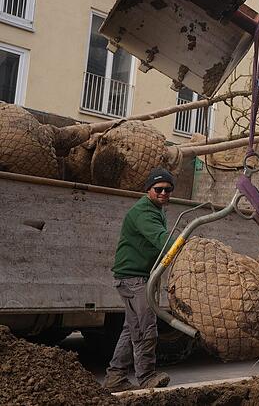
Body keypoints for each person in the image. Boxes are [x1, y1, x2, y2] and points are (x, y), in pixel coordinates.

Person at [102, 168, 175, 392]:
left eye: (168, 190)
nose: (163, 193)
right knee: (146, 326)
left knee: (130, 328)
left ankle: (115, 377)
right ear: (148, 190)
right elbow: (162, 239)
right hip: (134, 278)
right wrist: (189, 248)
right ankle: (146, 377)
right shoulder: (144, 211)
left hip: (135, 276)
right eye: (158, 189)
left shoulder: (156, 209)